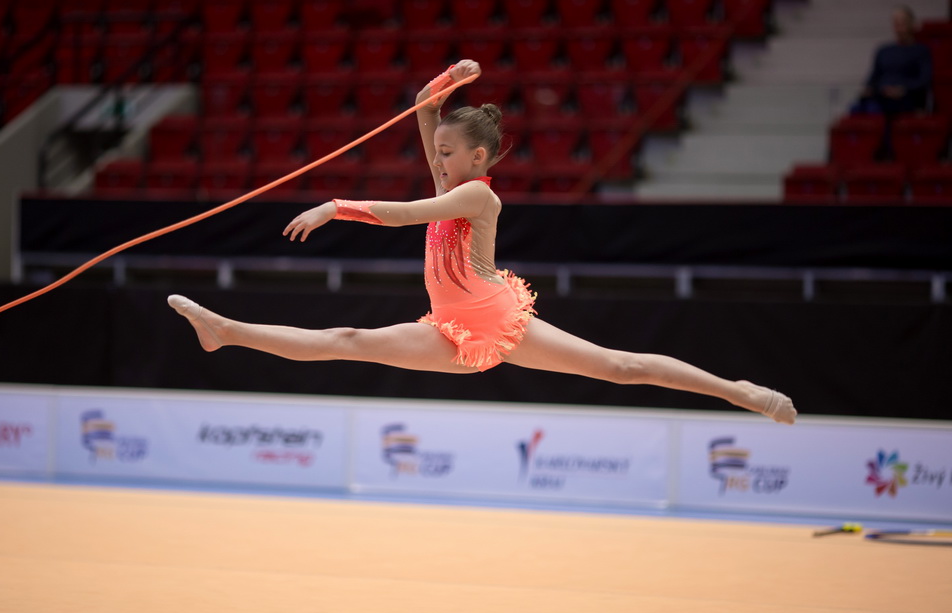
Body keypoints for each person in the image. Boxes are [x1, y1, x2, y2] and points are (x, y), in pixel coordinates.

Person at [168, 60, 796, 425]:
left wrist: (337, 206)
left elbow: (409, 214)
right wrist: (452, 78)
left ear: (478, 157)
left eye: (446, 153)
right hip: (450, 330)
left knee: (621, 367)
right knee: (347, 341)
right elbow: (424, 106)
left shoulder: (477, 196)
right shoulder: (451, 176)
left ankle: (740, 392)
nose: (435, 160)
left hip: (497, 321)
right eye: (436, 151)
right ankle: (226, 331)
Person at [852, 5, 933, 158]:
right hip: (881, 95)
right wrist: (868, 88)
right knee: (856, 108)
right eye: (895, 22)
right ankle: (863, 154)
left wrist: (903, 89)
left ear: (912, 24)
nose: (898, 26)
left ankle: (889, 154)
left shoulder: (921, 51)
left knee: (882, 111)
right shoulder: (884, 50)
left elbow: (924, 80)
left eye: (902, 22)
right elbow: (873, 77)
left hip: (906, 98)